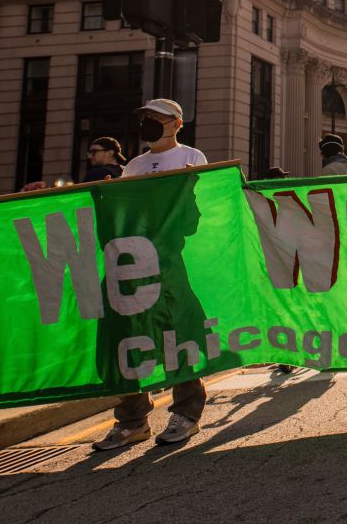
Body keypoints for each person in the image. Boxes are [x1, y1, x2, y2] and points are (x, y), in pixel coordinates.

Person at [94, 98, 210, 450]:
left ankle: (186, 415)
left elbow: (196, 217)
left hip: (170, 263)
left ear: (177, 123)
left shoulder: (192, 157)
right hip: (131, 265)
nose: (147, 125)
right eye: (144, 118)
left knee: (178, 335)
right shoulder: (135, 166)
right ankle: (131, 421)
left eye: (156, 119)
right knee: (126, 337)